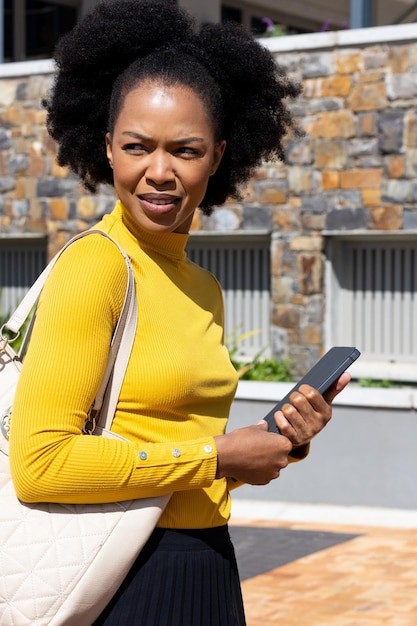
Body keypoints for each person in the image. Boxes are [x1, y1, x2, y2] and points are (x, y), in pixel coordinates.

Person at [9, 1, 350, 624]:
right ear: (107, 148)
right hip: (122, 577)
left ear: (218, 156)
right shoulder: (100, 265)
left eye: (185, 150)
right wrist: (220, 455)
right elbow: (41, 466)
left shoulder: (202, 286)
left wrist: (274, 444)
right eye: (137, 146)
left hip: (206, 563)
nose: (158, 172)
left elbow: (172, 453)